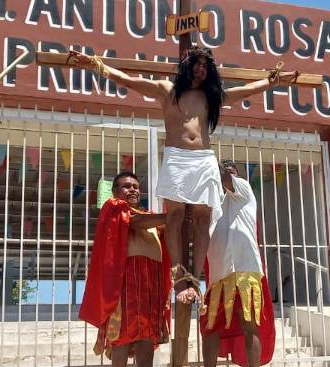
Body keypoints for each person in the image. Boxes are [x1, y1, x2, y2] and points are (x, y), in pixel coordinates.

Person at [66, 47, 298, 304]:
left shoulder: (211, 96)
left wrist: (273, 81)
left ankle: (195, 277)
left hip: (204, 159)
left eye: (205, 65)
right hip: (177, 157)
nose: (201, 68)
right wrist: (96, 65)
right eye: (196, 63)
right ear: (186, 65)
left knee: (203, 218)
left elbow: (243, 92)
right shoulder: (167, 90)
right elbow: (129, 81)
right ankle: (178, 275)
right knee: (174, 215)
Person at [79, 172, 172, 367]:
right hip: (126, 279)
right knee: (121, 333)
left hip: (151, 280)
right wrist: (170, 217)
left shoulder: (149, 215)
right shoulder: (114, 207)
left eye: (135, 186)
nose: (132, 190)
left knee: (146, 335)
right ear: (115, 191)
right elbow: (133, 223)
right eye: (126, 186)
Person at [190, 161, 275, 367]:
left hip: (245, 270)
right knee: (209, 328)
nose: (226, 170)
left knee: (250, 325)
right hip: (217, 275)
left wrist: (210, 166)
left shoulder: (243, 189)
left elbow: (226, 180)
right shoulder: (211, 203)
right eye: (223, 167)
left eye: (230, 167)